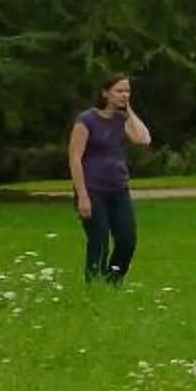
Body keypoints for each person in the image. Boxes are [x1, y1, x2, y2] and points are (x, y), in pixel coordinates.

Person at [67, 74, 151, 283]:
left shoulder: (122, 121)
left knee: (127, 240)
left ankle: (113, 282)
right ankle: (94, 285)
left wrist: (128, 110)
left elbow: (143, 139)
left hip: (118, 188)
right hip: (93, 189)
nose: (124, 95)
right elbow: (75, 158)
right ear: (105, 93)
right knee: (99, 242)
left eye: (127, 91)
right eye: (119, 91)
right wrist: (83, 196)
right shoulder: (86, 120)